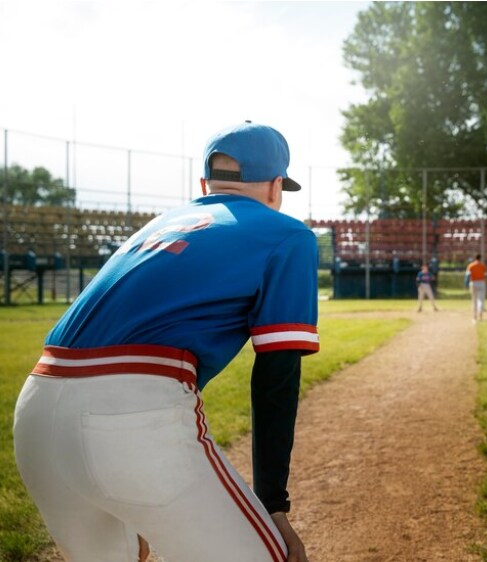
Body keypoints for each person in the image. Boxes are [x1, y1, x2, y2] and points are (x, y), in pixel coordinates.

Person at [13, 121, 318, 562]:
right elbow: (277, 376)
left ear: (203, 185)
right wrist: (273, 504)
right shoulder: (287, 233)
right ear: (276, 188)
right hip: (128, 420)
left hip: (35, 417)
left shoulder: (158, 226)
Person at [466, 253, 487, 322]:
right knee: (480, 300)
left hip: (473, 283)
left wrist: (466, 284)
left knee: (474, 300)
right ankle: (480, 315)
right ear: (480, 258)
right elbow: (486, 275)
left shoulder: (471, 265)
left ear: (475, 258)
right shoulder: (483, 266)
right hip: (481, 282)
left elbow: (467, 276)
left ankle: (474, 316)